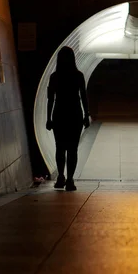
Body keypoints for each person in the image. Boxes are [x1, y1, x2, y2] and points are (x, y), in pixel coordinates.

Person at [46, 46, 90, 191]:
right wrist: (86, 115)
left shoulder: (54, 77)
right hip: (74, 114)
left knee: (60, 148)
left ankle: (60, 177)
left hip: (59, 114)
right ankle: (70, 180)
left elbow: (50, 99)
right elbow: (83, 96)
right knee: (72, 149)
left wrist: (48, 118)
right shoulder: (78, 75)